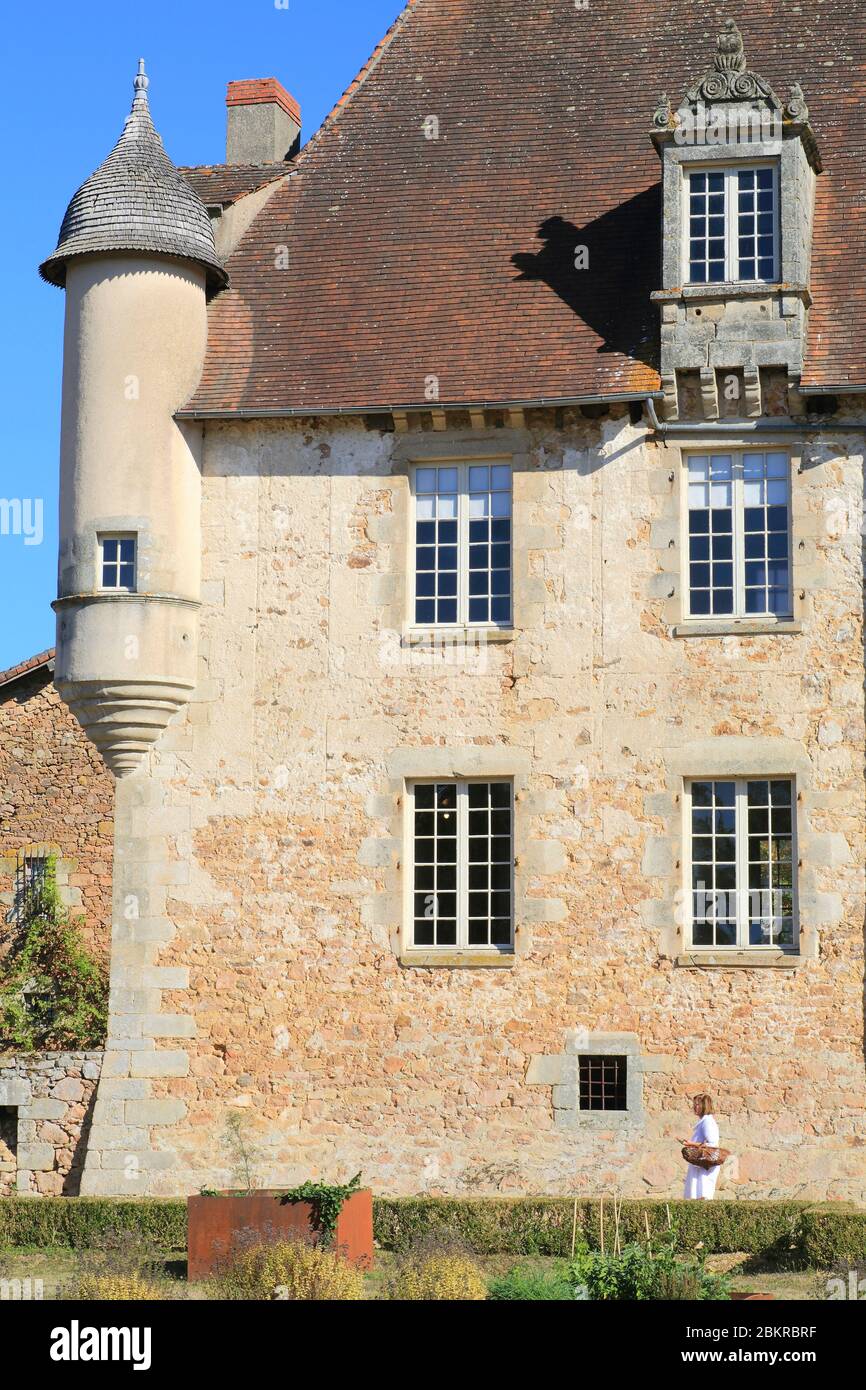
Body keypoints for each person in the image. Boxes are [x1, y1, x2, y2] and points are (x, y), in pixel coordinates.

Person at [680, 1093, 721, 1200]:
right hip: (700, 1163)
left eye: (697, 1104)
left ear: (704, 1106)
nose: (694, 1107)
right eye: (694, 1104)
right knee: (695, 1194)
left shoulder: (707, 1122)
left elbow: (712, 1144)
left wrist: (690, 1144)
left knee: (701, 1194)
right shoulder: (703, 1122)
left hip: (704, 1164)